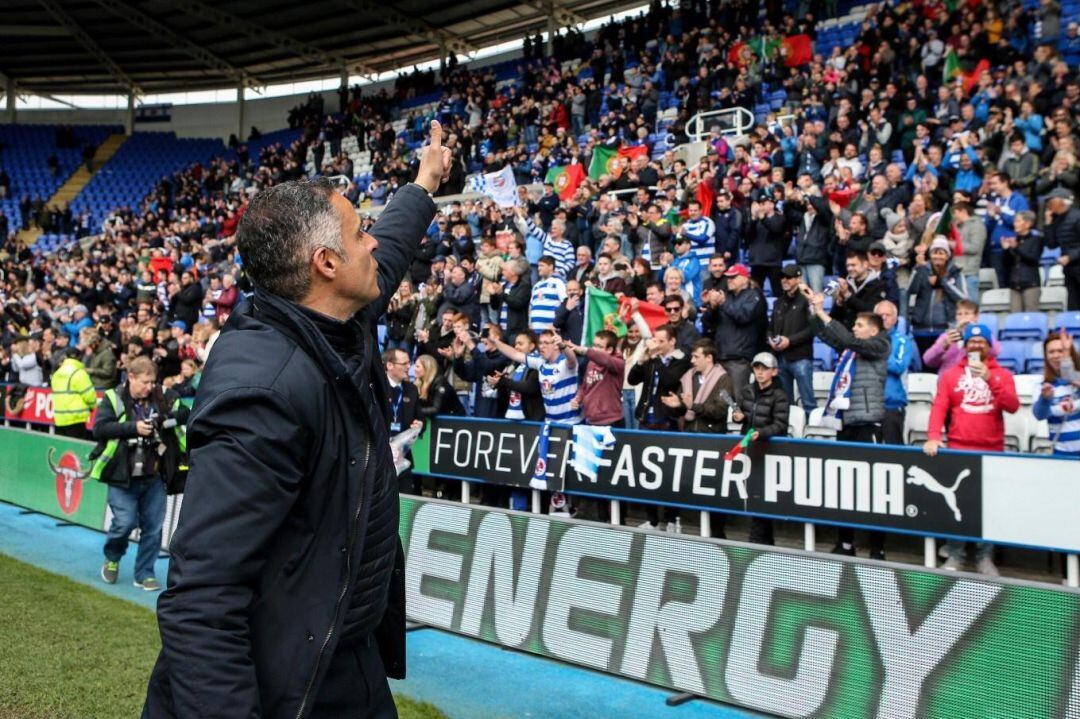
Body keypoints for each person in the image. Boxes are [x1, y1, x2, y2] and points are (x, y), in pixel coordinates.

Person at [144, 120, 448, 719]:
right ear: (326, 263)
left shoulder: (334, 314)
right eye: (360, 233)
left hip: (343, 654)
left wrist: (424, 184)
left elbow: (388, 253)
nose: (373, 244)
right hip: (288, 677)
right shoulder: (262, 391)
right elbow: (202, 597)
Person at [924, 323, 1020, 576]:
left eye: (981, 342)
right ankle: (956, 554)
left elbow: (1012, 406)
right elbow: (939, 407)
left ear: (989, 346)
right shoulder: (951, 375)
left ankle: (984, 557)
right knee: (958, 505)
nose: (976, 345)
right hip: (959, 448)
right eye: (971, 342)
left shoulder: (1002, 374)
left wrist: (990, 379)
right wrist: (933, 437)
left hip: (992, 451)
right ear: (965, 346)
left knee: (988, 508)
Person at [805, 285, 891, 559]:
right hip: (847, 424)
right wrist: (813, 311)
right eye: (853, 325)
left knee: (875, 488)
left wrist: (825, 314)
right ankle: (845, 544)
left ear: (873, 331)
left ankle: (877, 548)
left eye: (859, 325)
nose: (854, 328)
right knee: (845, 486)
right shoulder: (851, 350)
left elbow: (845, 337)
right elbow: (823, 333)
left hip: (868, 424)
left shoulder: (881, 345)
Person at [91, 356, 188, 591]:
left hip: (155, 475)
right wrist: (133, 428)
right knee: (124, 524)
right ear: (131, 377)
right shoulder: (114, 397)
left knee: (153, 528)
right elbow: (100, 429)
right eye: (145, 382)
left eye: (152, 382)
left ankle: (145, 574)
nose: (149, 387)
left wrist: (164, 421)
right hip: (121, 475)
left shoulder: (164, 395)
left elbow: (186, 414)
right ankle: (112, 558)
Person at [628, 324, 690, 531]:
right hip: (646, 421)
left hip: (666, 423)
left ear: (672, 341)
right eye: (656, 340)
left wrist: (654, 358)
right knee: (646, 473)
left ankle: (672, 519)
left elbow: (670, 380)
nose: (657, 344)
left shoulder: (681, 359)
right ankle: (652, 519)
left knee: (669, 473)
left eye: (662, 341)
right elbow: (632, 379)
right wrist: (641, 361)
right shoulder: (652, 358)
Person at [724, 352, 789, 544]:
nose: (760, 372)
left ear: (774, 372)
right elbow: (742, 414)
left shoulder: (780, 395)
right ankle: (764, 539)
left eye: (764, 369)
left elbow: (780, 425)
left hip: (769, 451)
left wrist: (761, 433)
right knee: (754, 493)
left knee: (762, 494)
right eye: (757, 368)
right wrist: (738, 417)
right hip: (750, 450)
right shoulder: (747, 391)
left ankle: (757, 537)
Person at [489, 328, 581, 425]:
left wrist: (563, 346)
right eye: (540, 343)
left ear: (556, 345)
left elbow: (572, 358)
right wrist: (495, 341)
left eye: (546, 343)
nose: (542, 346)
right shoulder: (539, 362)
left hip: (570, 423)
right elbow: (515, 354)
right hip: (550, 423)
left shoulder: (565, 363)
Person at [701, 264, 766, 392]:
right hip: (720, 356)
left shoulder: (754, 296)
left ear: (745, 279)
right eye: (728, 277)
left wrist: (723, 303)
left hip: (739, 359)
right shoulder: (725, 296)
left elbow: (743, 316)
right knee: (720, 398)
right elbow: (707, 323)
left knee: (738, 397)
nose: (729, 280)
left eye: (733, 277)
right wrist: (712, 307)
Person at [769, 265, 816, 411]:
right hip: (781, 357)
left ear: (798, 279)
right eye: (782, 277)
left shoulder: (806, 300)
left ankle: (811, 426)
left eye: (788, 277)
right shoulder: (778, 302)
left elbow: (813, 329)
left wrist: (790, 341)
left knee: (808, 402)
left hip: (801, 357)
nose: (784, 280)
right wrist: (770, 340)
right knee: (785, 403)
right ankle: (789, 426)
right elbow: (770, 328)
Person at [665, 339, 733, 434]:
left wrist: (693, 406)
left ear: (709, 358)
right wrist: (679, 405)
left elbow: (720, 410)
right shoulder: (688, 376)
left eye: (696, 357)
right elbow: (681, 411)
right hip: (689, 432)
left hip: (712, 435)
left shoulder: (724, 379)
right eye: (692, 356)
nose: (692, 360)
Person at [383, 348, 424, 494]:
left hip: (403, 457)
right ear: (390, 365)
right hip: (381, 456)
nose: (408, 367)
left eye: (409, 363)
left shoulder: (411, 389)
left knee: (405, 498)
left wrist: (419, 424)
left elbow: (420, 417)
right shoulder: (377, 387)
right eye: (404, 363)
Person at [1033, 330, 1080, 457]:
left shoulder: (1077, 379)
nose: (1056, 355)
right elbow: (1039, 415)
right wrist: (1045, 399)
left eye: (1061, 351)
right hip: (1061, 455)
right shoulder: (1042, 385)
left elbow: (1068, 374)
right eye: (1051, 352)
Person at [566, 330, 625, 427]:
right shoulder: (591, 363)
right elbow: (585, 386)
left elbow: (606, 360)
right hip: (591, 420)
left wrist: (585, 351)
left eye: (599, 346)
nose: (594, 349)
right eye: (594, 345)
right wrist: (577, 399)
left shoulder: (618, 363)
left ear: (609, 350)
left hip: (611, 422)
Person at [922, 299, 1001, 371]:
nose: (963, 317)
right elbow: (928, 360)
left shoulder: (983, 334)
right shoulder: (947, 336)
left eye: (967, 313)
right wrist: (943, 346)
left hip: (975, 376)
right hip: (949, 378)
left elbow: (996, 352)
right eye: (959, 314)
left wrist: (975, 331)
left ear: (976, 316)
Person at [876, 300, 913, 445]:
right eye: (880, 315)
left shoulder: (903, 341)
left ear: (895, 319)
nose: (884, 318)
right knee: (868, 452)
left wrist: (880, 349)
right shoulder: (866, 340)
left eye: (888, 315)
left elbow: (899, 366)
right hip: (869, 407)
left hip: (892, 405)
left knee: (893, 452)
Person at [50, 347, 98, 440]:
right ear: (80, 358)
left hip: (59, 418)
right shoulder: (79, 373)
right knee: (76, 447)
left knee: (62, 446)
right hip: (76, 419)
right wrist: (92, 406)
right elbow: (89, 396)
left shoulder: (57, 373)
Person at [1045, 188, 1080, 310]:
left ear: (1062, 201)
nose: (1048, 204)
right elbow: (1051, 244)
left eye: (1051, 201)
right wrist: (1048, 224)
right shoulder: (1056, 220)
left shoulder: (1077, 217)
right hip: (1069, 269)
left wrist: (1070, 257)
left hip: (1075, 263)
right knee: (1073, 304)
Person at [1004, 210, 1044, 312]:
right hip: (1014, 284)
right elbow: (1007, 263)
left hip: (1030, 283)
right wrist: (1006, 249)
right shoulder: (1015, 240)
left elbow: (1034, 258)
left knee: (1031, 315)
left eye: (1018, 221)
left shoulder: (1036, 240)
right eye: (1015, 221)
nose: (1015, 224)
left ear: (1028, 224)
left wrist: (1016, 248)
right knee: (1015, 316)